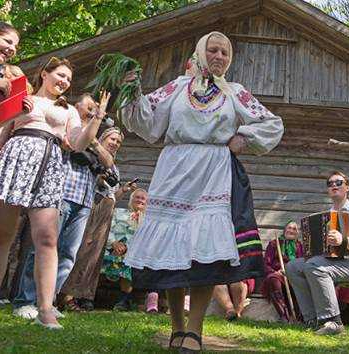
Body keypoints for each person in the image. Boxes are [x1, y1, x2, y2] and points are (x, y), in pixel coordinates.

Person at [120, 31, 283, 352]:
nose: (219, 56)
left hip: (213, 173)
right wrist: (130, 91)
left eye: (225, 52)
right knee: (173, 253)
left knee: (205, 251)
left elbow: (272, 123)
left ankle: (194, 330)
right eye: (213, 50)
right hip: (175, 170)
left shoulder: (235, 93)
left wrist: (243, 137)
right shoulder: (177, 87)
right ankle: (177, 328)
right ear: (200, 52)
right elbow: (146, 122)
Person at [0, 56, 106, 329]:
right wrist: (13, 111)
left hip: (50, 165)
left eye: (68, 79)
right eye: (60, 75)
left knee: (47, 238)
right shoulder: (25, 98)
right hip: (17, 159)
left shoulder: (69, 110)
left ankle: (45, 310)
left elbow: (78, 143)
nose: (64, 82)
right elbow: (2, 135)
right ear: (44, 74)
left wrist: (96, 119)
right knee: (2, 235)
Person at [286, 171, 349, 335]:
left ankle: (333, 322)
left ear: (347, 187)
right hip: (330, 261)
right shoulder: (326, 216)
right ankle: (312, 320)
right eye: (330, 183)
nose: (334, 185)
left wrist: (343, 241)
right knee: (293, 266)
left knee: (315, 267)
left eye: (338, 182)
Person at [59, 127, 134, 311]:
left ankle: (84, 295)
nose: (115, 143)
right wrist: (102, 178)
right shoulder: (94, 154)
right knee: (82, 250)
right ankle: (67, 295)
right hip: (93, 205)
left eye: (118, 141)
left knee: (95, 255)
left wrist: (123, 190)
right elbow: (97, 182)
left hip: (106, 209)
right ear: (103, 138)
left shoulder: (114, 165)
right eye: (112, 139)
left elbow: (112, 194)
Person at [101, 188, 148, 311]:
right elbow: (107, 229)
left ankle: (124, 300)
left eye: (143, 198)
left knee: (128, 261)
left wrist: (127, 247)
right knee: (95, 259)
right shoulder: (118, 212)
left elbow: (144, 238)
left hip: (132, 252)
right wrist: (113, 243)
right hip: (111, 247)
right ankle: (86, 299)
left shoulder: (147, 221)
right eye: (137, 197)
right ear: (131, 200)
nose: (140, 200)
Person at [261, 221, 303, 323]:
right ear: (284, 230)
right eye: (289, 228)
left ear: (297, 233)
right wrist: (277, 272)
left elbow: (302, 264)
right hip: (278, 274)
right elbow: (266, 264)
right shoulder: (274, 244)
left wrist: (292, 272)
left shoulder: (299, 246)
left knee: (301, 284)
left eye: (294, 229)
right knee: (273, 279)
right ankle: (284, 316)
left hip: (293, 275)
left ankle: (298, 317)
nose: (291, 230)